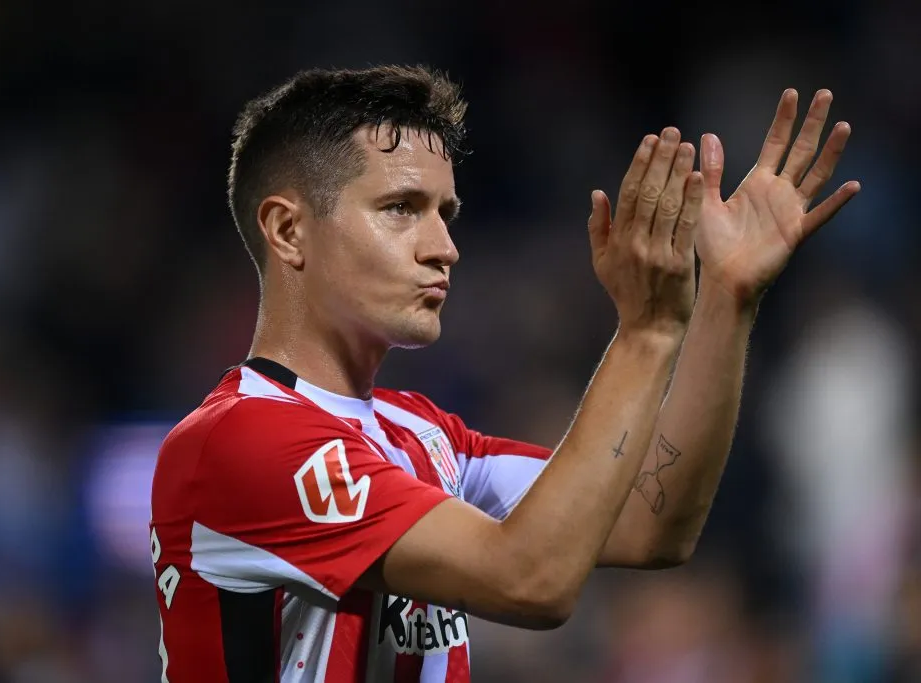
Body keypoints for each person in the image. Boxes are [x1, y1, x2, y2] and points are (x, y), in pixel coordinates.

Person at [149, 65, 858, 682]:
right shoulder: (237, 442)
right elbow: (531, 578)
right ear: (288, 229)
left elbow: (652, 523)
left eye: (446, 213)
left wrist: (724, 298)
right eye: (401, 209)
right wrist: (644, 335)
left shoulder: (422, 432)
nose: (444, 246)